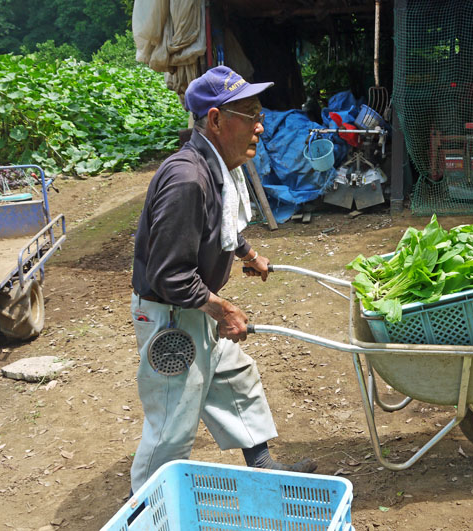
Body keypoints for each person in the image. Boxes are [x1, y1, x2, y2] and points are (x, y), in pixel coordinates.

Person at [129, 65, 316, 493]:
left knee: (235, 376)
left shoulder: (217, 168)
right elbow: (170, 274)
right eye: (250, 115)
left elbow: (220, 227)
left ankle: (262, 462)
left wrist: (248, 253)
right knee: (173, 417)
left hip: (192, 306)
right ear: (216, 120)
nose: (260, 127)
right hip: (170, 316)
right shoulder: (187, 179)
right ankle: (146, 504)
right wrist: (223, 308)